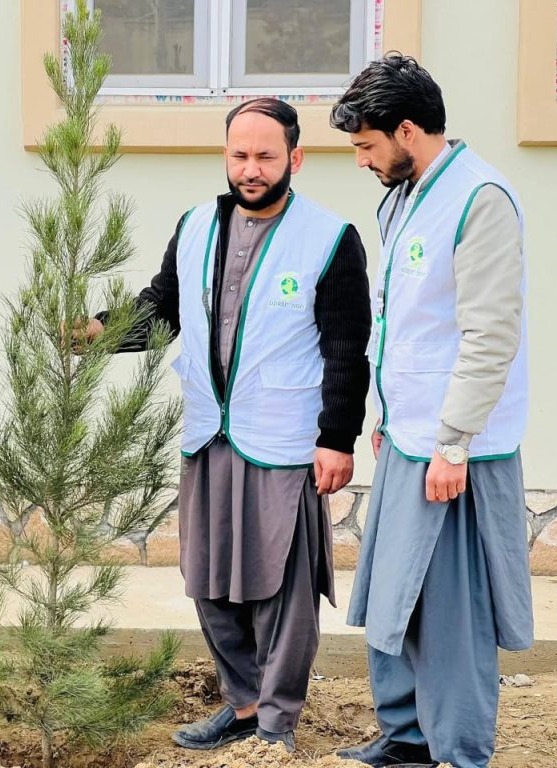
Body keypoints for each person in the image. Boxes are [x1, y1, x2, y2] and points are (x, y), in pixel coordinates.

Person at [81, 98, 371, 752]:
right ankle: (241, 707)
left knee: (280, 592)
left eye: (266, 156)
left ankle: (275, 727)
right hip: (208, 434)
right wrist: (95, 333)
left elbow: (347, 348)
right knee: (209, 580)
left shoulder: (329, 238)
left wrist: (336, 438)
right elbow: (163, 311)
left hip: (285, 441)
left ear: (295, 158)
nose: (251, 168)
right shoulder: (196, 227)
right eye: (239, 155)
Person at [330, 53, 533, 768]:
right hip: (409, 439)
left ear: (407, 130)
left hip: (455, 451)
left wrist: (453, 443)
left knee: (450, 614)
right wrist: (386, 414)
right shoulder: (406, 195)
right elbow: (405, 319)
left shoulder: (480, 199)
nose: (361, 161)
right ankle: (408, 739)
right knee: (394, 597)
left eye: (365, 145)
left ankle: (461, 754)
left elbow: (490, 334)